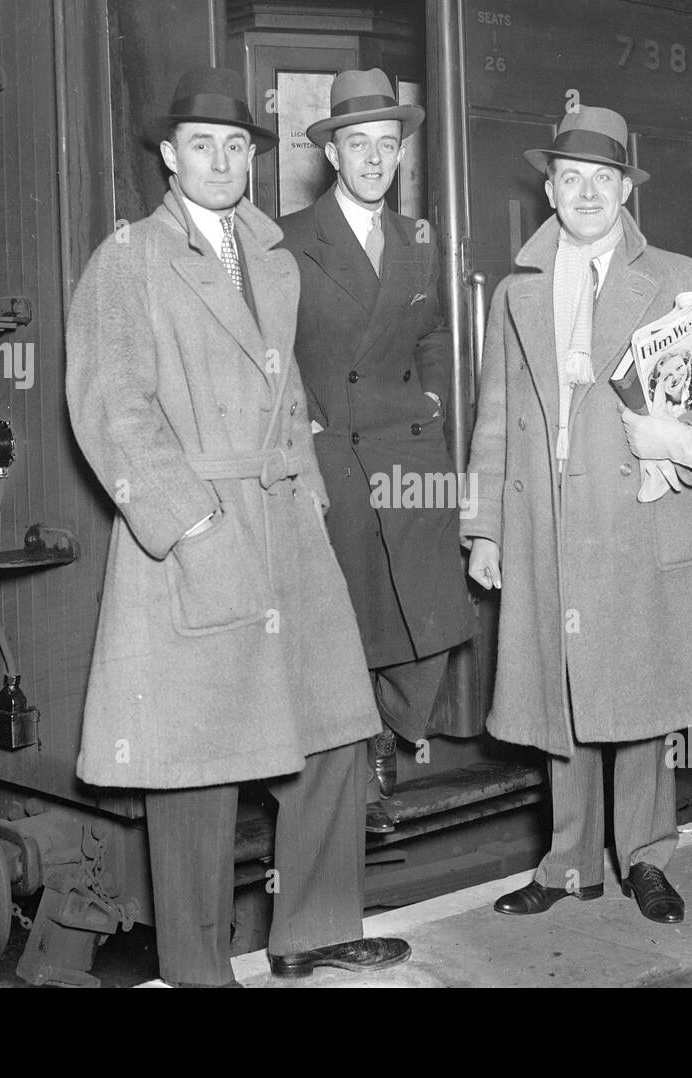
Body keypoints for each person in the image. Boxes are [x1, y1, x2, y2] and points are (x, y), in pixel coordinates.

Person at [64, 66, 410, 985]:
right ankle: (197, 965)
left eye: (237, 147)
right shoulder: (129, 259)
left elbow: (281, 380)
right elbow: (111, 411)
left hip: (286, 519)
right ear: (170, 158)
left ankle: (312, 930)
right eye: (202, 146)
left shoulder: (268, 250)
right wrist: (190, 526)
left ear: (253, 160)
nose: (221, 161)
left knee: (338, 726)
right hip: (196, 529)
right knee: (197, 759)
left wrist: (308, 486)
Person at [464, 104, 692, 924]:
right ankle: (565, 865)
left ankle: (646, 859)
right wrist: (484, 526)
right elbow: (494, 416)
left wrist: (684, 436)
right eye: (571, 178)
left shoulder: (678, 276)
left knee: (640, 694)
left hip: (636, 508)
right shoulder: (516, 291)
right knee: (563, 696)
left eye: (603, 178)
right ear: (549, 189)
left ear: (625, 189)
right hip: (548, 518)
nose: (587, 193)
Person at [278, 69, 477, 806]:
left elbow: (436, 332)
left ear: (400, 154)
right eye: (357, 144)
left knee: (428, 611)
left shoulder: (417, 239)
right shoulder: (290, 241)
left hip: (409, 449)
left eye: (385, 146)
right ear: (333, 153)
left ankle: (391, 726)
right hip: (332, 452)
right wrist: (305, 420)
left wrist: (430, 393)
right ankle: (361, 750)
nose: (372, 160)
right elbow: (267, 349)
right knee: (350, 612)